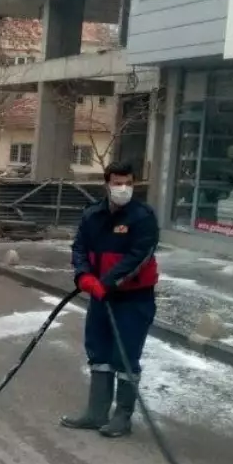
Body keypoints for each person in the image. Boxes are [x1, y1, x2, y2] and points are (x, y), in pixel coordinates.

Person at [60, 161, 159, 438]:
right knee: (99, 353)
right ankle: (96, 413)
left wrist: (107, 282)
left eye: (128, 182)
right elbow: (79, 247)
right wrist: (83, 276)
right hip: (100, 298)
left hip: (133, 299)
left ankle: (122, 417)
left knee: (125, 356)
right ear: (107, 183)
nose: (123, 188)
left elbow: (138, 257)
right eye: (117, 182)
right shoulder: (93, 215)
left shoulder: (143, 217)